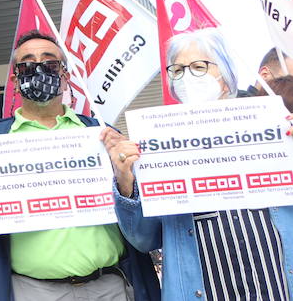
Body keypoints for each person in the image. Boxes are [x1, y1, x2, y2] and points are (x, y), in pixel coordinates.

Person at [0, 29, 160, 301]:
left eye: (49, 63)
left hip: (110, 287)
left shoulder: (101, 134)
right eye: (27, 63)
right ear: (14, 79)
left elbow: (143, 225)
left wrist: (125, 177)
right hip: (31, 291)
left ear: (65, 76)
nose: (38, 69)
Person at [107, 28, 293, 300]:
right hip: (208, 289)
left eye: (198, 67)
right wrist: (125, 179)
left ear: (226, 78)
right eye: (178, 70)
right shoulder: (157, 143)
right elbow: (144, 239)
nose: (187, 77)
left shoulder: (271, 126)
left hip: (274, 283)